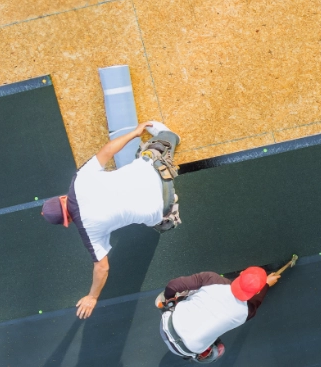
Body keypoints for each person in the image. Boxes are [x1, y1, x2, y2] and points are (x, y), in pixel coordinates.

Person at [41, 120, 182, 319]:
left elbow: (102, 268)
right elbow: (108, 150)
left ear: (67, 222)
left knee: (162, 223)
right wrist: (135, 132)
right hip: (156, 171)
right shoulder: (79, 180)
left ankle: (171, 213)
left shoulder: (88, 233)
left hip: (163, 204)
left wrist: (92, 297)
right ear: (62, 198)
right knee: (159, 144)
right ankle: (165, 140)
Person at [157, 264, 286, 363]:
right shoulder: (247, 312)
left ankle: (173, 301)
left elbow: (173, 285)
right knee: (217, 351)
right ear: (257, 292)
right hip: (187, 350)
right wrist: (267, 284)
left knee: (194, 291)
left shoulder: (212, 279)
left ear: (241, 273)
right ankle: (203, 353)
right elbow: (257, 300)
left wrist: (170, 299)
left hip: (166, 325)